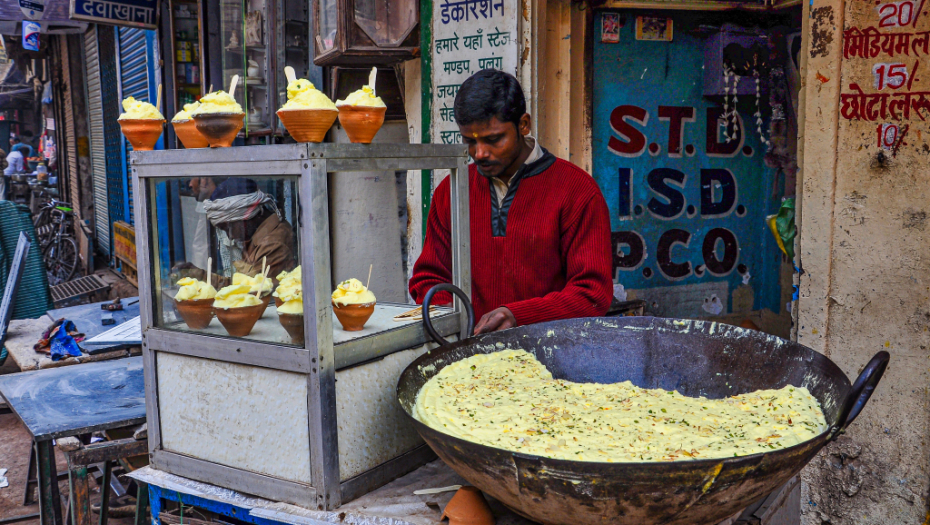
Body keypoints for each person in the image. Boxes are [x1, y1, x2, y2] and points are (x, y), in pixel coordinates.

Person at [409, 69, 613, 334]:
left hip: (553, 357)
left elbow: (592, 294)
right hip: (468, 357)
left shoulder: (577, 191)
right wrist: (461, 327)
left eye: (494, 139)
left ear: (524, 124)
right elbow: (429, 278)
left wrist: (518, 316)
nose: (479, 153)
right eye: (469, 141)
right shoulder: (451, 191)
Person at [203, 178, 296, 280]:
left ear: (246, 216)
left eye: (228, 228)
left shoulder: (273, 244)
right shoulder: (259, 236)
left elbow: (249, 289)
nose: (230, 237)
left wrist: (202, 277)